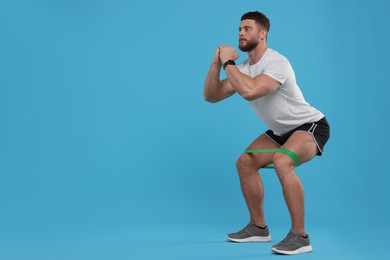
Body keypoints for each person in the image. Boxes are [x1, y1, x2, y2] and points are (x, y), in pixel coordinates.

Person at [203, 11, 330, 255]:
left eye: (247, 28)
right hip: (280, 131)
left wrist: (228, 64)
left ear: (263, 34)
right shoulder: (241, 69)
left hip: (309, 125)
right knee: (245, 163)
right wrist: (216, 64)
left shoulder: (277, 63)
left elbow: (251, 91)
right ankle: (258, 227)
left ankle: (300, 236)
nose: (240, 32)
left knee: (282, 161)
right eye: (239, 28)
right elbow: (211, 96)